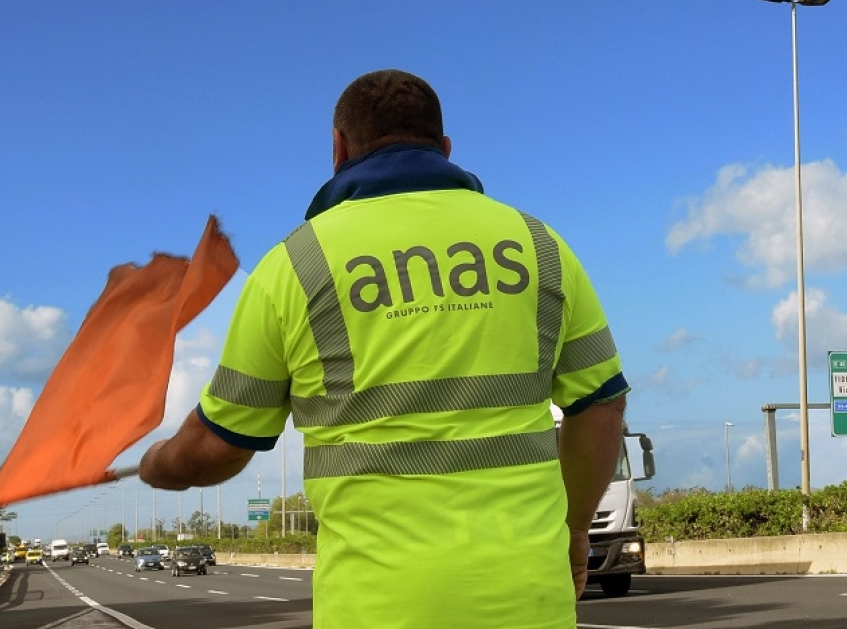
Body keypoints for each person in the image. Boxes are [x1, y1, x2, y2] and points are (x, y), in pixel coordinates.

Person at [140, 69, 629, 628]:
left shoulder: (294, 267)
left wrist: (160, 467)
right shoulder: (540, 246)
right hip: (529, 601)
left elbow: (218, 446)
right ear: (445, 148)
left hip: (373, 609)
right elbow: (601, 405)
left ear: (338, 148)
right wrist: (573, 527)